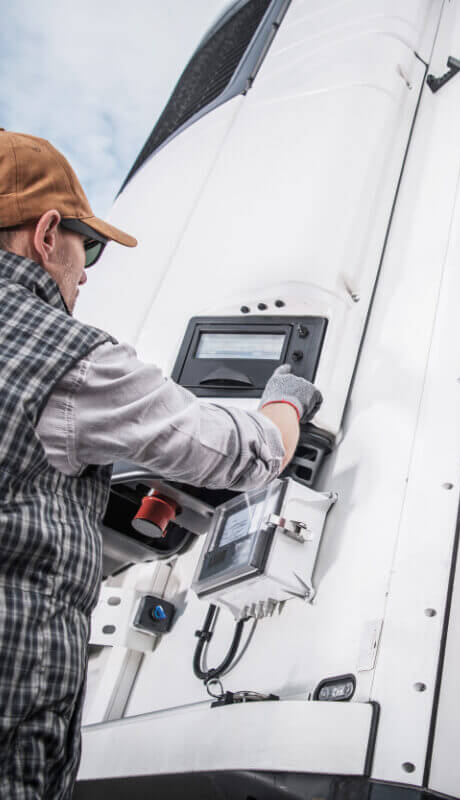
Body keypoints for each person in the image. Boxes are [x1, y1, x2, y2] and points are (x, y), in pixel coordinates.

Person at [0, 129, 322, 799]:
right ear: (45, 233)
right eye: (86, 248)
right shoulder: (62, 355)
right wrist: (286, 400)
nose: (84, 271)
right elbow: (245, 451)